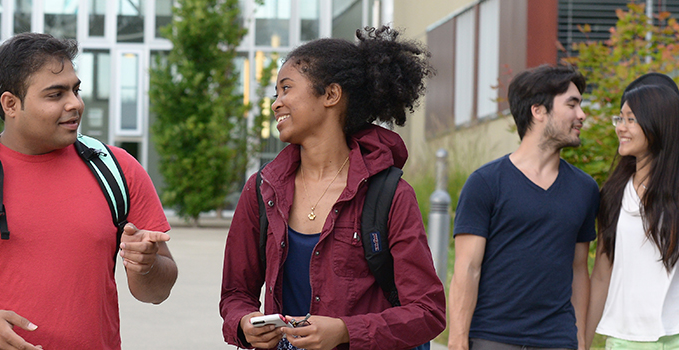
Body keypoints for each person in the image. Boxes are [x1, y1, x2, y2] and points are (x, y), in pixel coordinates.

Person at [0, 32, 178, 350]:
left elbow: (156, 292)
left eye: (75, 90)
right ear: (11, 104)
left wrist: (147, 265)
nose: (75, 104)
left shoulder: (117, 168)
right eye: (55, 94)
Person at [219, 26, 445, 350]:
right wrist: (244, 323)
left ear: (330, 95)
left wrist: (346, 331)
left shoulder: (390, 195)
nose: (276, 104)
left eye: (286, 89)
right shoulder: (261, 190)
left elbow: (428, 312)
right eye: (275, 94)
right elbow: (235, 294)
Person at [448, 64, 597, 350]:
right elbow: (467, 269)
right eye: (572, 104)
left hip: (557, 340)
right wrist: (457, 341)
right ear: (538, 111)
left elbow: (579, 269)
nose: (582, 115)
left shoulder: (585, 189)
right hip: (492, 338)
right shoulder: (485, 183)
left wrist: (579, 341)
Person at [584, 80, 679, 349]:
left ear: (657, 125)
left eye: (630, 119)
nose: (620, 128)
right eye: (620, 118)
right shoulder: (613, 194)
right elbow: (602, 274)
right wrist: (583, 342)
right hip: (626, 339)